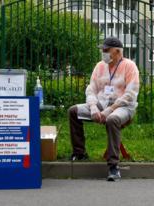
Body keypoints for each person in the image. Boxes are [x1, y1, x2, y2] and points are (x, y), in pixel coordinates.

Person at [68, 37, 139, 181]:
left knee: (112, 119)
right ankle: (79, 152)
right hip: (101, 103)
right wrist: (93, 107)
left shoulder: (130, 66)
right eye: (102, 50)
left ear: (118, 51)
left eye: (106, 50)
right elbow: (91, 89)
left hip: (123, 107)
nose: (103, 53)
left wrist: (109, 110)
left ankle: (113, 166)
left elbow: (130, 94)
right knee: (73, 111)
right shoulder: (100, 66)